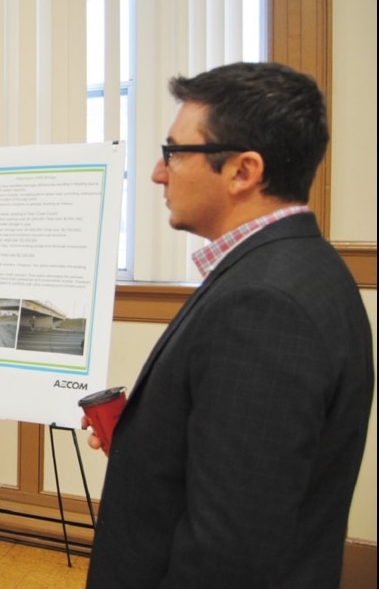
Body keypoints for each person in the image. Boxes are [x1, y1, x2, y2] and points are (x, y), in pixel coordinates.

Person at [83, 62, 374, 588]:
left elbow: (228, 553)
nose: (156, 172)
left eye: (173, 152)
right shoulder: (298, 266)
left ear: (243, 171)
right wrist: (150, 436)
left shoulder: (265, 305)